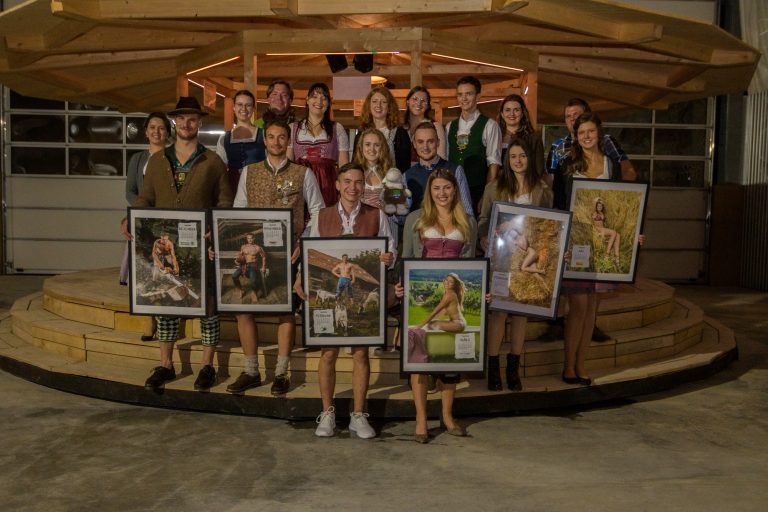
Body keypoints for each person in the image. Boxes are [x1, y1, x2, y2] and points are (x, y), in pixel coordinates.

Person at [128, 96, 233, 393]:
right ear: (175, 122)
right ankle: (166, 364)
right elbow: (145, 198)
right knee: (166, 304)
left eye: (193, 119)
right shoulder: (158, 161)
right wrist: (131, 218)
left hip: (200, 246)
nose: (187, 123)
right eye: (182, 118)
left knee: (208, 307)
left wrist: (214, 229)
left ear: (200, 123)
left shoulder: (212, 161)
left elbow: (224, 202)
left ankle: (207, 366)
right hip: (166, 246)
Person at [296, 162, 396, 438]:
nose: (353, 187)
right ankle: (327, 412)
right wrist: (300, 275)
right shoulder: (321, 216)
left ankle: (358, 415)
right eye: (348, 182)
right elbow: (309, 251)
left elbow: (391, 250)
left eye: (358, 182)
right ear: (338, 185)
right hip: (335, 287)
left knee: (361, 353)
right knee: (328, 352)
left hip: (355, 287)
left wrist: (388, 258)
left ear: (364, 186)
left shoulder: (377, 215)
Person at [228, 119, 325, 396]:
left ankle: (281, 372)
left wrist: (303, 242)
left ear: (288, 141)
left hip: (288, 252)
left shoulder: (303, 173)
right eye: (271, 136)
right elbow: (238, 210)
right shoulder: (249, 172)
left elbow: (318, 211)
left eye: (282, 137)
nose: (276, 142)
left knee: (285, 310)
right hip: (255, 251)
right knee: (244, 309)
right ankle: (251, 370)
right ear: (265, 140)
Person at [553, 112, 642, 386]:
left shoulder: (610, 165)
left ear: (599, 133)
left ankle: (581, 364)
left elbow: (618, 203)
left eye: (590, 131)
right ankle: (568, 366)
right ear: (576, 136)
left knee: (591, 308)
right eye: (581, 133)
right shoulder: (567, 165)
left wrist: (632, 232)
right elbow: (558, 205)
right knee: (578, 306)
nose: (586, 136)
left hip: (600, 244)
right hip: (576, 242)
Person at [544, 98, 637, 342]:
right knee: (576, 299)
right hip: (576, 236)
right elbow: (556, 195)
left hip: (599, 235)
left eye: (578, 116)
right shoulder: (562, 156)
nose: (574, 121)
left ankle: (587, 335)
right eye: (569, 117)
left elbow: (621, 194)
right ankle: (560, 326)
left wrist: (630, 226)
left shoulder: (610, 157)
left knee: (592, 299)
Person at [399, 169, 477, 443]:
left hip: (450, 298)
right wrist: (400, 287)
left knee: (449, 359)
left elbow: (470, 266)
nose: (442, 193)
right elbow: (406, 258)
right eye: (436, 188)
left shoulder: (468, 222)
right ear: (429, 192)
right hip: (420, 298)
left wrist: (480, 291)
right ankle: (421, 418)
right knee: (419, 360)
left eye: (447, 188)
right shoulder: (415, 219)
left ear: (455, 190)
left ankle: (447, 416)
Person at [478, 138, 553, 391]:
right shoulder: (494, 188)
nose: (518, 161)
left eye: (522, 156)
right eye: (513, 157)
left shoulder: (542, 190)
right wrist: (483, 237)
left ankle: (513, 369)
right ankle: (493, 368)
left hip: (526, 257)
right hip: (501, 259)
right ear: (507, 160)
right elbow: (484, 219)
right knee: (498, 312)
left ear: (530, 159)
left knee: (521, 313)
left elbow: (548, 226)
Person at [122, 112, 170, 340]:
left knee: (165, 270)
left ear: (168, 132)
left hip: (167, 221)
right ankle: (149, 319)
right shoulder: (138, 159)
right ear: (145, 132)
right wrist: (145, 210)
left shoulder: (173, 156)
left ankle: (167, 318)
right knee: (144, 271)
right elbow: (130, 191)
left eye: (161, 128)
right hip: (143, 220)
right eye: (152, 127)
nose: (156, 132)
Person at [445, 76, 502, 210]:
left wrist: (486, 196)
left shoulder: (490, 125)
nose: (464, 98)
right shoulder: (449, 126)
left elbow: (493, 164)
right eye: (460, 94)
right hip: (453, 192)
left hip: (477, 191)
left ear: (478, 97)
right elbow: (447, 160)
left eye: (468, 94)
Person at [288, 82, 349, 207]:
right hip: (301, 184)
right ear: (307, 100)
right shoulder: (293, 128)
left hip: (329, 185)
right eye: (314, 97)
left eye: (324, 98)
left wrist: (344, 192)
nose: (319, 102)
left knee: (326, 216)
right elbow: (288, 163)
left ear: (329, 103)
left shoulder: (337, 128)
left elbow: (344, 165)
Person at [405, 121, 474, 215]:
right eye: (420, 142)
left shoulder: (455, 171)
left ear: (438, 142)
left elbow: (467, 212)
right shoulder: (407, 176)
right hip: (417, 224)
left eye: (430, 141)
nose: (425, 147)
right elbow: (402, 217)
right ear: (414, 144)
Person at [215, 90, 265, 194]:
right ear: (234, 107)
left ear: (253, 108)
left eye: (248, 105)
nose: (244, 109)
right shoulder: (224, 138)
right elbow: (220, 170)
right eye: (240, 104)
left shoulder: (264, 135)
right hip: (233, 189)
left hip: (259, 187)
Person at [358, 86, 411, 172]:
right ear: (369, 105)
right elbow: (356, 163)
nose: (378, 105)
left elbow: (405, 168)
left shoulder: (400, 133)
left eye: (383, 102)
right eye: (374, 101)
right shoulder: (361, 133)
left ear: (389, 107)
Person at [497, 94, 544, 180]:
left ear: (522, 113)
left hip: (525, 184)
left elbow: (539, 169)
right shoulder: (494, 136)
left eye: (516, 110)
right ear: (502, 114)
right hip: (498, 184)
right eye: (507, 110)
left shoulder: (534, 138)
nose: (512, 114)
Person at [403, 86, 446, 165]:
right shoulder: (402, 129)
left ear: (428, 105)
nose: (418, 103)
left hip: (429, 171)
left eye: (423, 101)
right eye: (415, 99)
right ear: (408, 101)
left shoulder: (435, 127)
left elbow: (441, 158)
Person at [232, 232, 267, 303]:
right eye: (248, 238)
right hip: (243, 265)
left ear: (254, 239)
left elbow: (264, 257)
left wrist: (263, 267)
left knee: (253, 280)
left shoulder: (258, 247)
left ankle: (254, 293)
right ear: (247, 239)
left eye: (251, 238)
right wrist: (237, 260)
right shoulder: (243, 247)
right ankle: (241, 290)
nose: (250, 240)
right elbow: (240, 255)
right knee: (234, 276)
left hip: (253, 266)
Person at [592, 198, 621, 264]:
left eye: (601, 206)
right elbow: (594, 202)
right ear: (596, 206)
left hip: (602, 229)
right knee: (614, 232)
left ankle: (617, 257)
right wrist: (598, 199)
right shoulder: (594, 212)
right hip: (598, 229)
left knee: (618, 235)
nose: (599, 207)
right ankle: (607, 254)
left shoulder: (602, 213)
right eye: (598, 206)